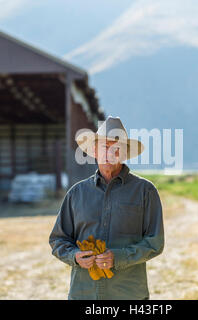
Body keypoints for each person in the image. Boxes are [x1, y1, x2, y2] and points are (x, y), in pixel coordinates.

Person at [49, 116, 164, 300]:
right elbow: (58, 241)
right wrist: (75, 256)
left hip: (128, 294)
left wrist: (118, 257)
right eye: (105, 147)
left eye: (116, 148)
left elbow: (155, 242)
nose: (110, 153)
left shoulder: (145, 191)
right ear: (94, 150)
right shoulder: (76, 194)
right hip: (83, 294)